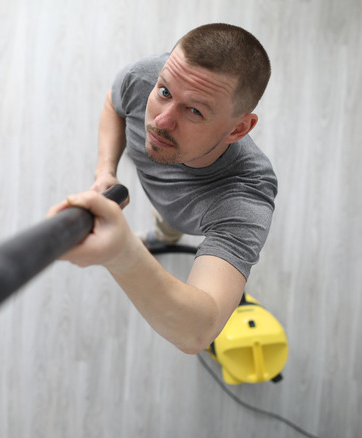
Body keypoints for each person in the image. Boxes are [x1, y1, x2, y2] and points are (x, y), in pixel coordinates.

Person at [47, 23, 277, 354]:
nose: (161, 122)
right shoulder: (146, 78)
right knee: (163, 222)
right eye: (165, 93)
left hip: (191, 216)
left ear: (239, 128)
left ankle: (164, 233)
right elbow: (114, 106)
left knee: (172, 221)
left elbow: (198, 332)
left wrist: (121, 252)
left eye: (194, 111)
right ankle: (162, 235)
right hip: (164, 199)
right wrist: (104, 172)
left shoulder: (245, 197)